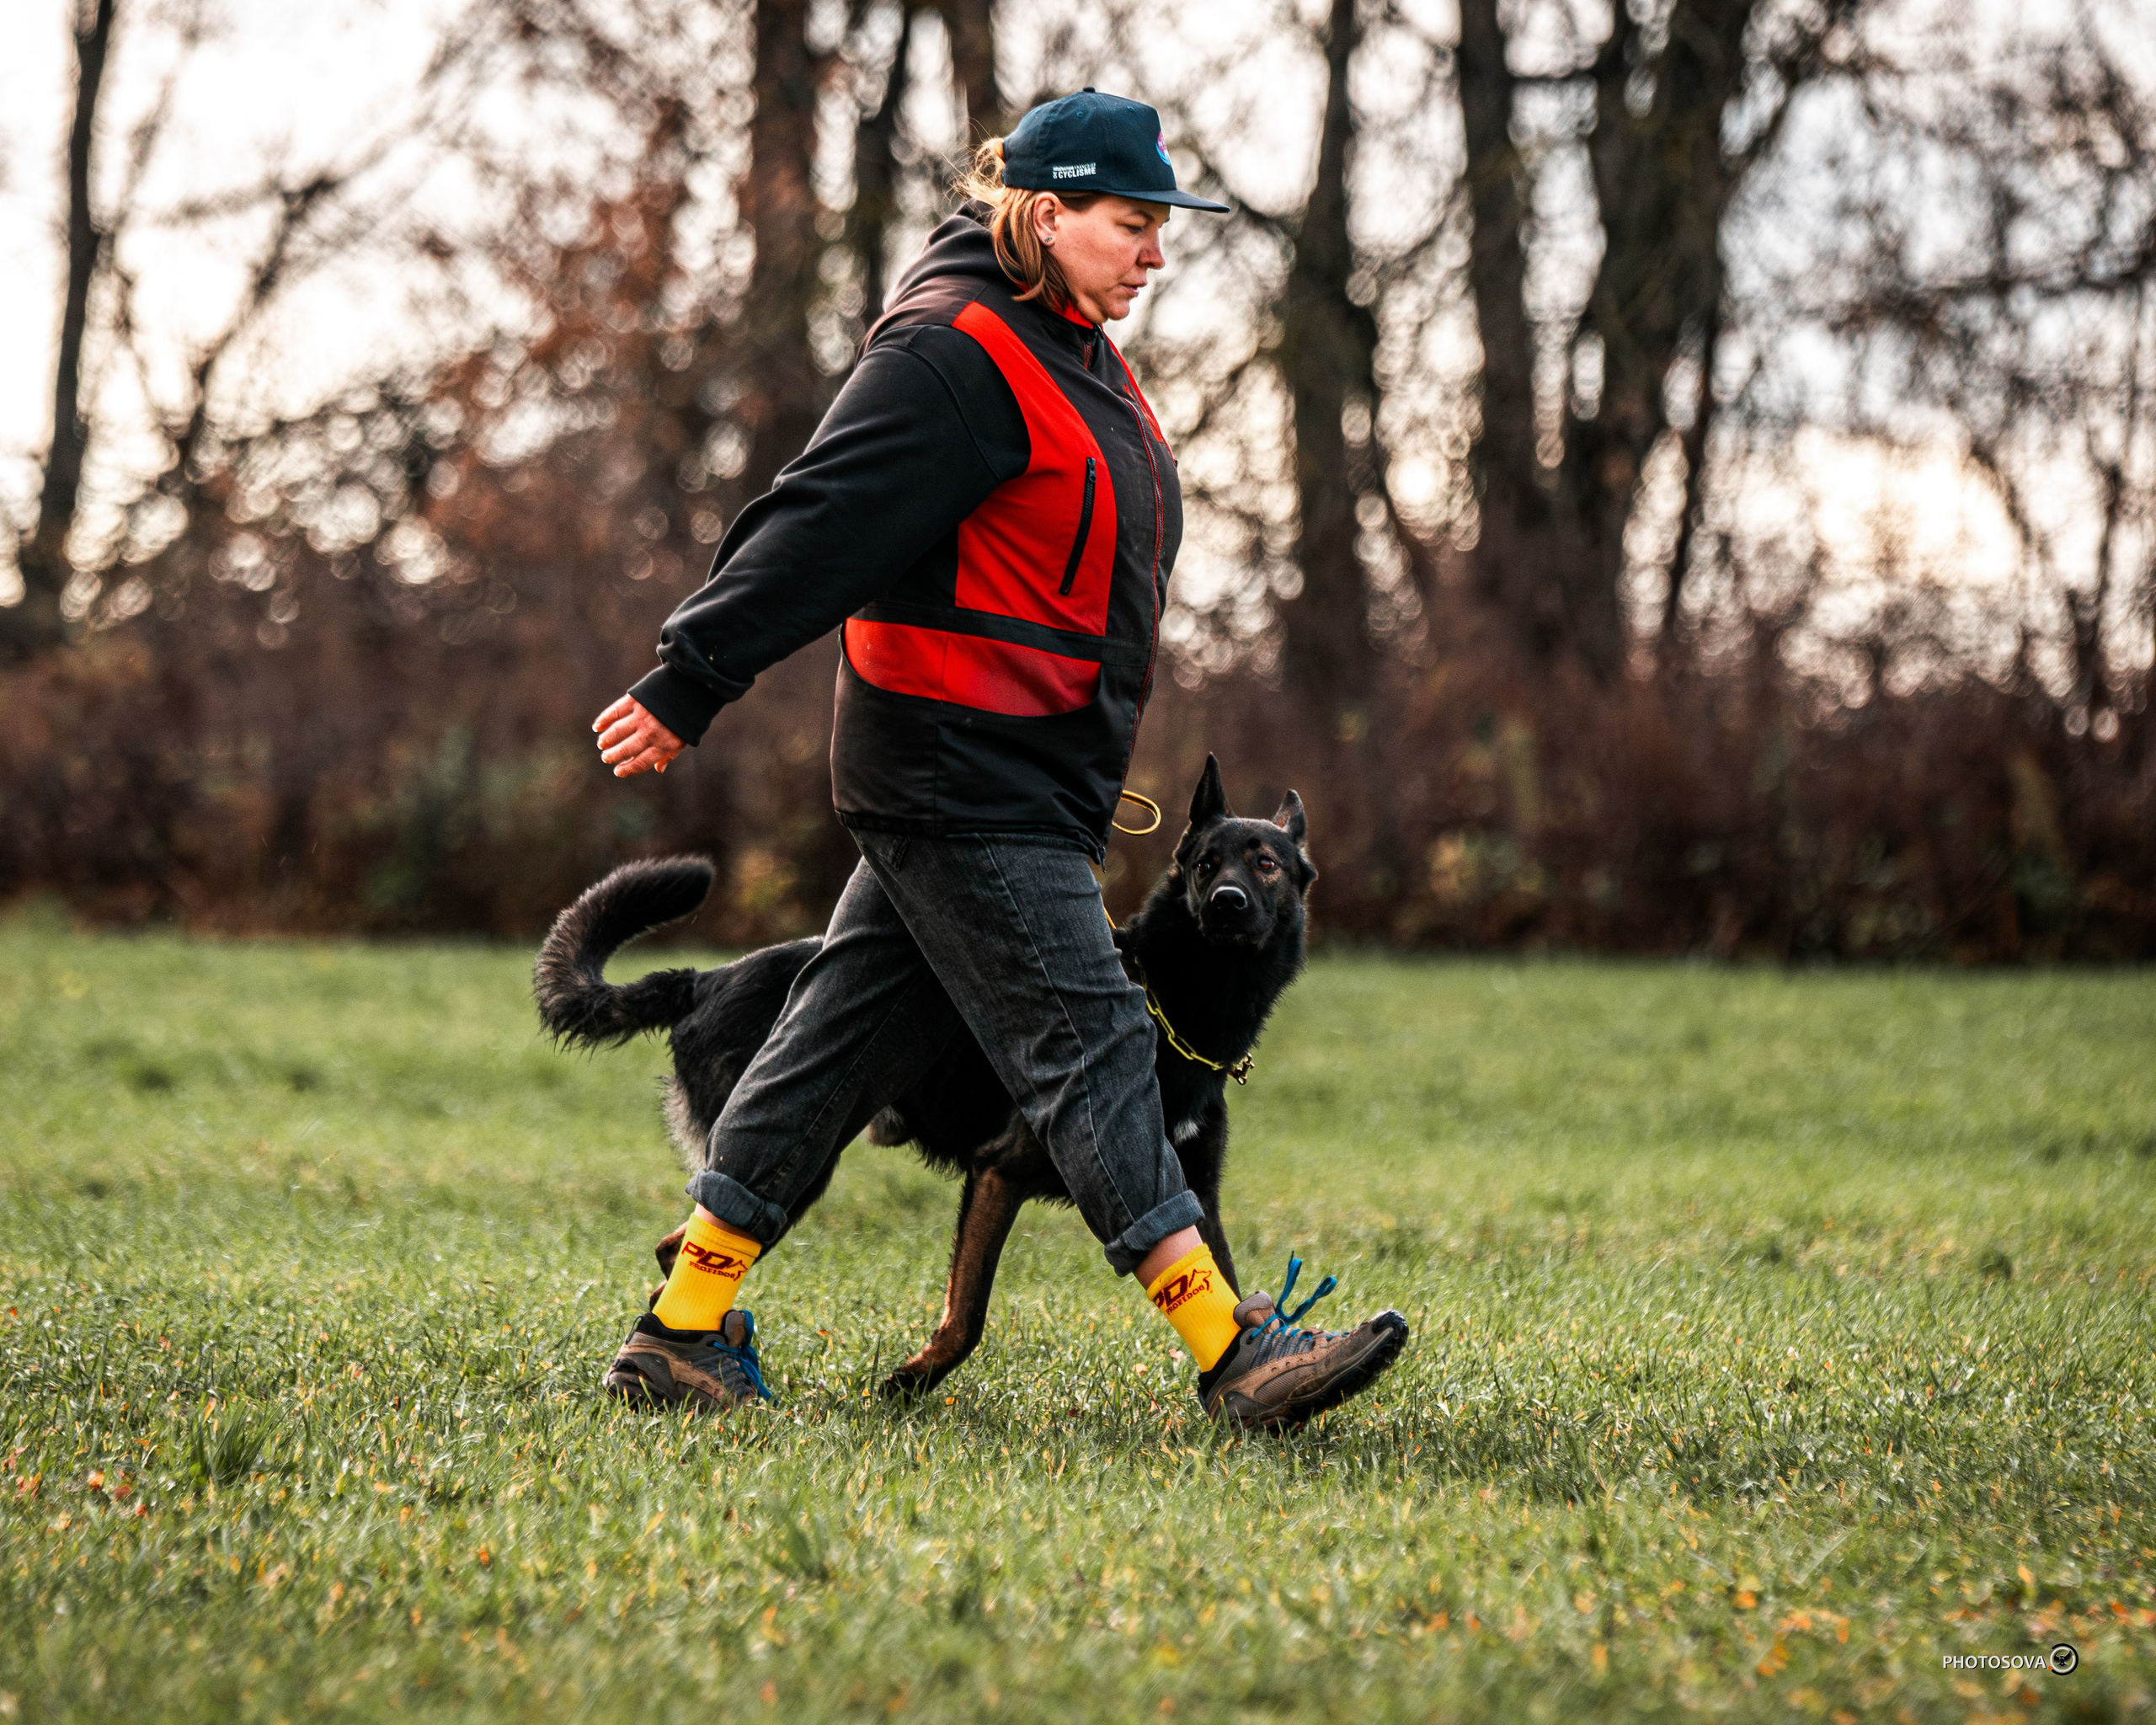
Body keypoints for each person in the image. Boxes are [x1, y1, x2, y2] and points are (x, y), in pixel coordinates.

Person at [588, 88, 1409, 1426]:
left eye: (1163, 230)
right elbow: (820, 518)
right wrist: (694, 673)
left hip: (1012, 779)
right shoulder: (956, 353)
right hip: (963, 777)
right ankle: (1231, 1350)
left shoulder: (1069, 342)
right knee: (1093, 1040)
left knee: (835, 1047)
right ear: (1043, 213)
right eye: (1132, 225)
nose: (1156, 254)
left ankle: (682, 1331)